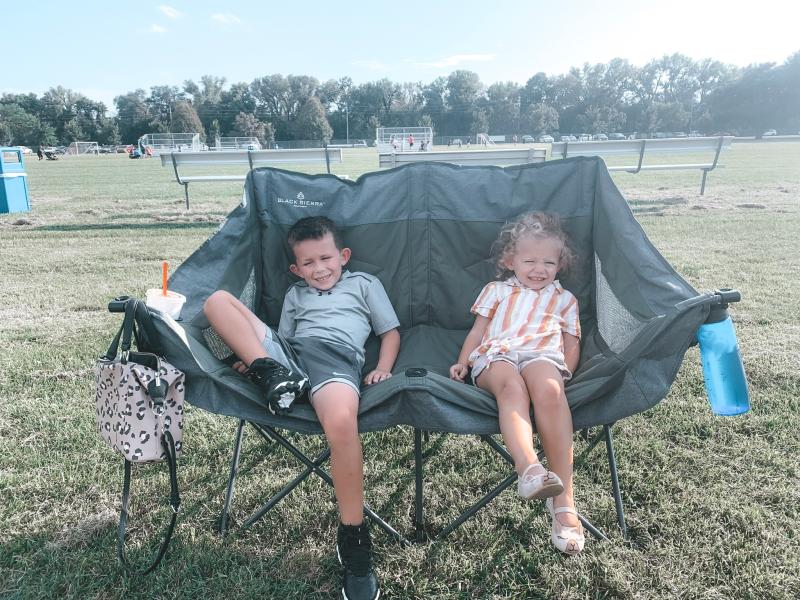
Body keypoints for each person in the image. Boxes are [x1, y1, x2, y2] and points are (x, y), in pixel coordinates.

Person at [204, 216, 400, 599]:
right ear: (296, 269)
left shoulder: (364, 284)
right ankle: (267, 373)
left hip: (335, 358)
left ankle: (354, 538)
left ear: (343, 256)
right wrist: (258, 357)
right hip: (289, 356)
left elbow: (389, 332)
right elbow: (283, 336)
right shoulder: (295, 294)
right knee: (217, 302)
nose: (319, 269)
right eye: (308, 263)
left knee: (341, 424)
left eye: (326, 258)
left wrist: (383, 368)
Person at [449, 211, 585, 556]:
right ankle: (529, 469)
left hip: (542, 356)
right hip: (497, 355)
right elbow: (478, 332)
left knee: (549, 390)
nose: (540, 269)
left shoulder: (565, 300)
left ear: (560, 264)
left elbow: (571, 343)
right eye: (530, 261)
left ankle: (564, 501)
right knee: (512, 388)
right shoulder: (496, 291)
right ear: (510, 261)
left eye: (549, 262)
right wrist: (463, 361)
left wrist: (563, 375)